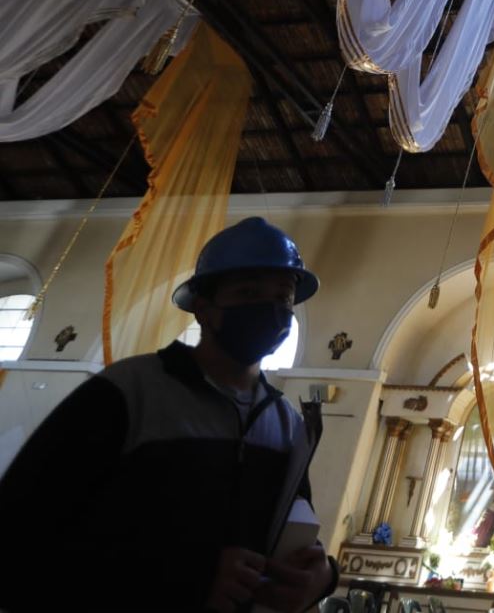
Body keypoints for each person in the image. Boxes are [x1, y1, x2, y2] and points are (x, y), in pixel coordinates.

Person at [0, 217, 339, 612]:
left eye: (283, 297)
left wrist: (323, 577)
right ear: (203, 309)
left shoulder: (286, 424)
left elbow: (293, 529)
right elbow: (20, 533)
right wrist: (184, 579)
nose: (270, 309)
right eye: (248, 292)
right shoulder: (128, 391)